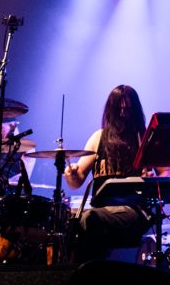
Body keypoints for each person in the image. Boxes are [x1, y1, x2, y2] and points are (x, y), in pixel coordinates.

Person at [63, 84, 156, 262]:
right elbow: (77, 181)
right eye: (119, 109)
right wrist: (72, 173)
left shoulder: (144, 138)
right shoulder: (98, 137)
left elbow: (166, 174)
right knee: (71, 225)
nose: (123, 114)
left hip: (135, 210)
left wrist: (152, 180)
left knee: (89, 219)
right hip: (102, 210)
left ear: (135, 110)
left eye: (127, 109)